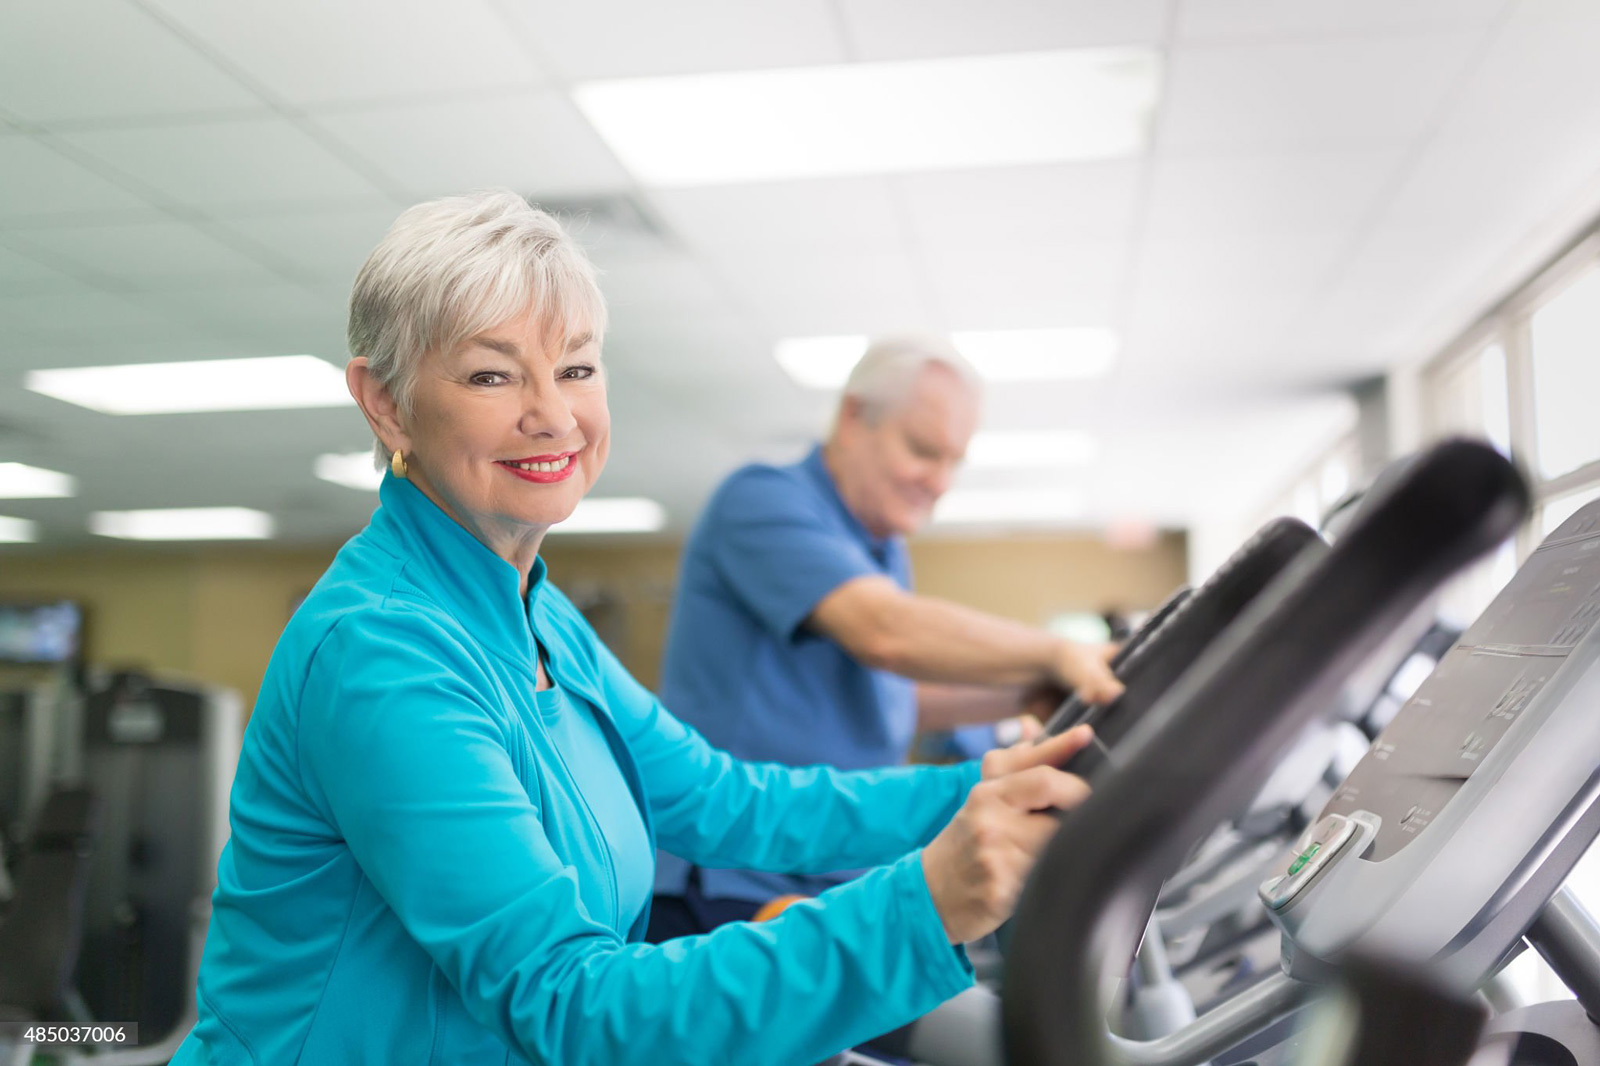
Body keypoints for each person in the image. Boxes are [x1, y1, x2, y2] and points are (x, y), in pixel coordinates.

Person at [167, 190, 1099, 1066]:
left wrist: (989, 788)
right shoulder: (383, 654)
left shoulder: (541, 617)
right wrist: (923, 907)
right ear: (384, 402)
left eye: (576, 367)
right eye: (493, 374)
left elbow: (729, 800)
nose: (553, 415)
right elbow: (568, 1001)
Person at [650, 336, 1122, 940]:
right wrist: (1059, 650)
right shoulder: (762, 498)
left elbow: (890, 695)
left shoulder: (884, 549)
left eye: (955, 461)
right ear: (853, 419)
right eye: (924, 451)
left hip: (831, 870)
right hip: (733, 881)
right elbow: (885, 633)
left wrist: (1027, 691)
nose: (941, 482)